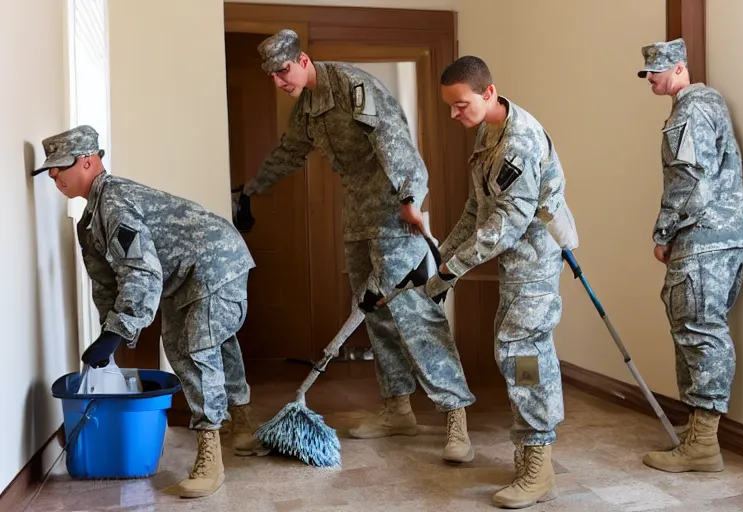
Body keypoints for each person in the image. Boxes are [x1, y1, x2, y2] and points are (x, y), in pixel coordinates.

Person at [232, 29, 477, 463]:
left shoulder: (351, 86)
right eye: (271, 75)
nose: (279, 81)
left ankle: (456, 418)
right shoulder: (306, 109)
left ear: (302, 60)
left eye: (283, 71)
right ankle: (397, 410)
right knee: (376, 314)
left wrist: (409, 198)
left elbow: (392, 141)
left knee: (415, 313)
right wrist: (250, 191)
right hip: (358, 220)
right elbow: (289, 153)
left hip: (395, 214)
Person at [31, 125, 257, 498]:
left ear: (88, 162)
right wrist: (110, 332)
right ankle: (243, 425)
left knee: (194, 348)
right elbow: (107, 283)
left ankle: (210, 457)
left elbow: (141, 271)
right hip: (185, 273)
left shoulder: (114, 204)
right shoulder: (90, 222)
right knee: (204, 342)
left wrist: (118, 332)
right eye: (49, 169)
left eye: (60, 167)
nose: (54, 175)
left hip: (216, 262)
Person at [426, 55, 578, 509]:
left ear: (488, 92)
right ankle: (532, 447)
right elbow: (477, 211)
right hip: (513, 258)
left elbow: (507, 223)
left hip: (533, 258)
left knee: (521, 349)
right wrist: (441, 257)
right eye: (450, 106)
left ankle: (538, 461)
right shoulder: (487, 131)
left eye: (460, 105)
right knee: (513, 346)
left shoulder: (519, 143)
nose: (455, 114)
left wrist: (454, 269)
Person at [637, 38, 743, 472]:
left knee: (699, 331)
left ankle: (703, 444)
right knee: (695, 328)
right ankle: (698, 432)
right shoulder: (703, 105)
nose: (650, 78)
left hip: (703, 237)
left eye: (657, 71)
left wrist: (663, 232)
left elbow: (688, 178)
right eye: (647, 72)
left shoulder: (693, 107)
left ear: (680, 68)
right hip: (719, 236)